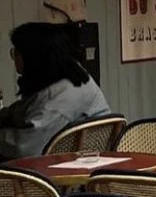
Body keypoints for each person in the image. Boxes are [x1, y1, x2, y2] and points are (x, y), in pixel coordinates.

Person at [0, 23, 111, 159]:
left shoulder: (60, 100)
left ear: (33, 56)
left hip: (57, 169)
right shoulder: (69, 75)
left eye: (16, 52)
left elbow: (22, 148)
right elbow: (27, 109)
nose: (14, 59)